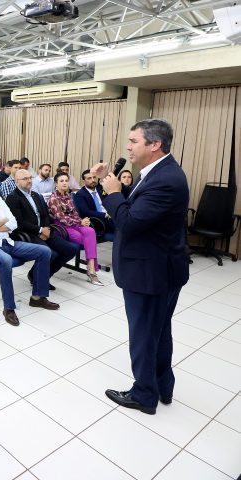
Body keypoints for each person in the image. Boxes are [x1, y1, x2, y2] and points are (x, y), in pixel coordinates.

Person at [92, 119, 189, 415]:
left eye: (134, 141)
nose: (128, 146)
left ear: (154, 144)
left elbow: (129, 223)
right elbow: (136, 211)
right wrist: (106, 186)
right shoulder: (160, 173)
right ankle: (162, 385)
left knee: (145, 334)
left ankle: (144, 395)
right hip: (161, 267)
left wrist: (112, 193)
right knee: (158, 331)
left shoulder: (165, 179)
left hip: (150, 273)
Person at [0, 172, 59, 326]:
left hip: (7, 241)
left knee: (44, 251)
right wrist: (1, 224)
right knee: (6, 260)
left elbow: (14, 222)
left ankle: (37, 297)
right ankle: (9, 308)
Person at [6, 169, 77, 289]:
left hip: (45, 231)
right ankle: (38, 280)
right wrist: (39, 230)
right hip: (27, 234)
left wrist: (46, 229)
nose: (29, 181)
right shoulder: (12, 198)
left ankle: (40, 275)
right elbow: (19, 222)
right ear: (17, 181)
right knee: (51, 253)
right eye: (25, 179)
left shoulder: (35, 195)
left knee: (70, 250)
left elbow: (45, 214)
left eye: (30, 178)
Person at [48, 172, 103, 286]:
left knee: (90, 231)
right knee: (87, 240)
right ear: (56, 184)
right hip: (62, 226)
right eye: (61, 181)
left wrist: (83, 221)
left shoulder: (68, 196)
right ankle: (92, 271)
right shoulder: (53, 198)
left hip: (74, 223)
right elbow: (62, 218)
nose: (64, 183)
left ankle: (91, 269)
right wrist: (80, 222)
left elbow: (75, 214)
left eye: (66, 181)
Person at [74, 169, 115, 233]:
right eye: (89, 178)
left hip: (111, 215)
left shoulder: (102, 188)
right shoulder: (80, 194)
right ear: (83, 181)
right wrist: (105, 215)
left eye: (94, 177)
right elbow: (86, 212)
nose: (93, 180)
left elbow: (111, 201)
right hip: (98, 220)